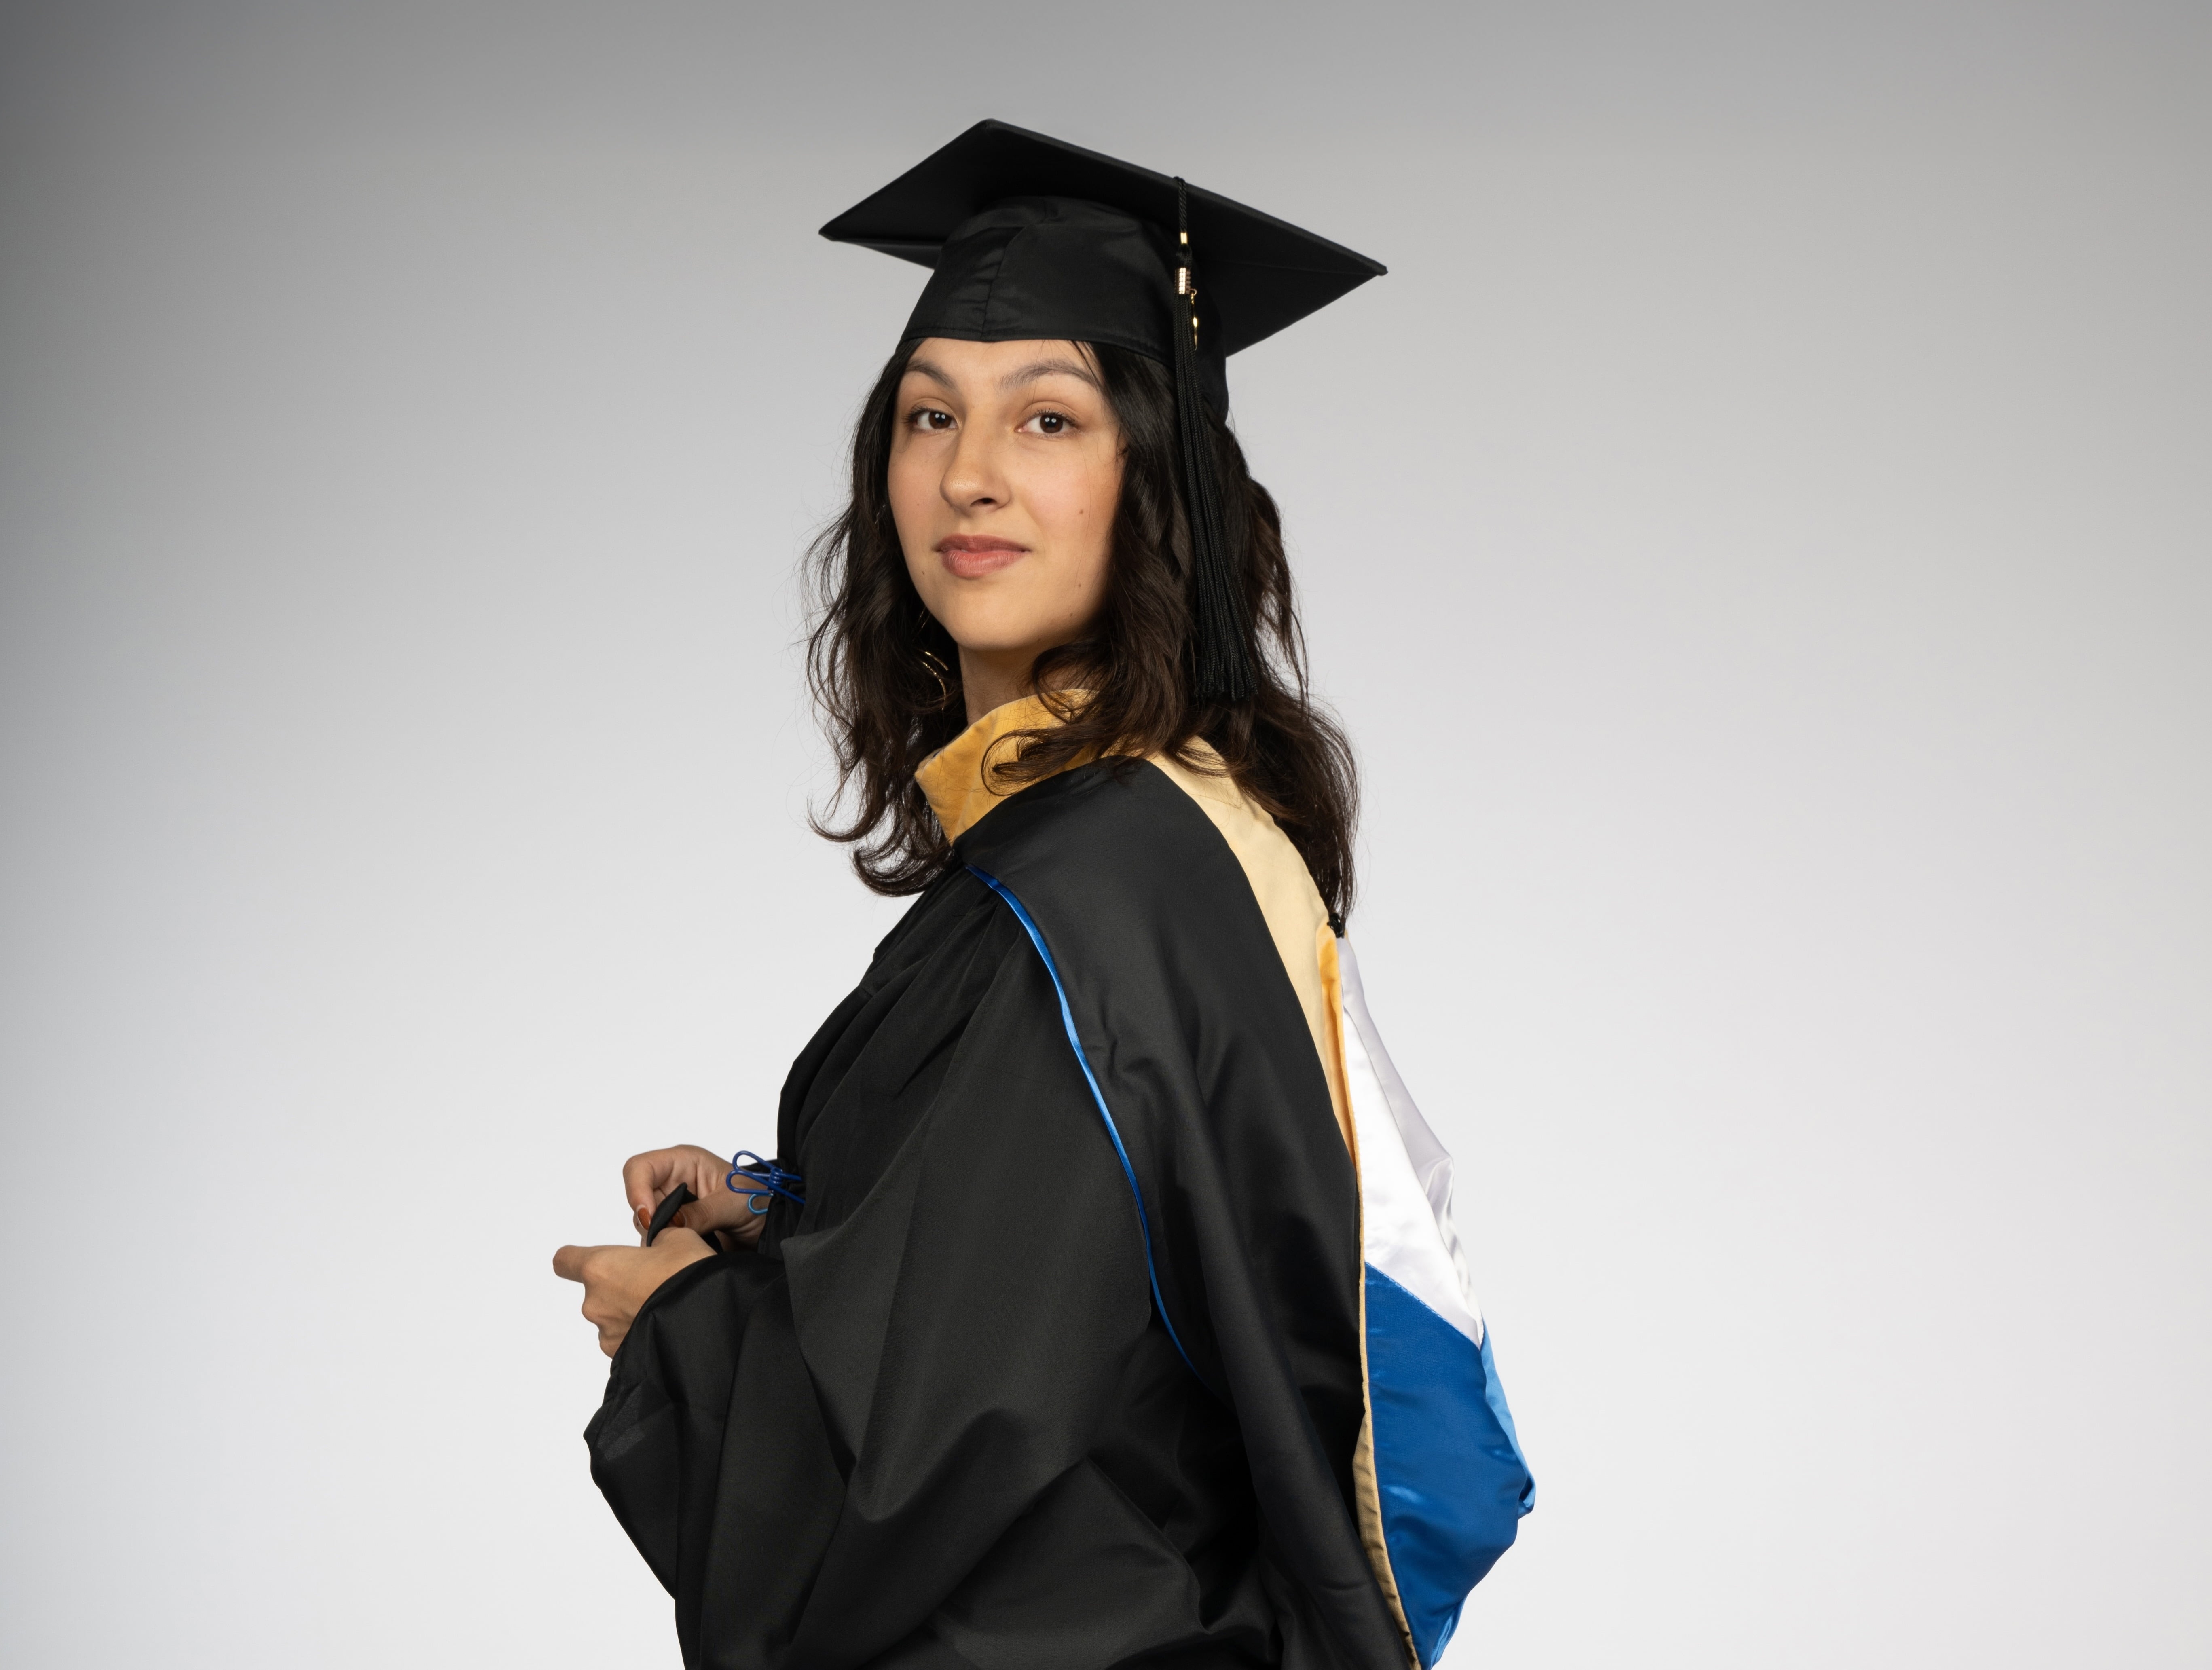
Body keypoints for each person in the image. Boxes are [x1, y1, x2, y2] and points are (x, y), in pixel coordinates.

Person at [552, 120, 1532, 1670]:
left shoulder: (1091, 883)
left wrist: (682, 1328)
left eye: (1053, 417)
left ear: (1161, 479)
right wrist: (784, 1214)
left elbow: (916, 1477)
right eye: (929, 412)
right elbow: (1082, 1308)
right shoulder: (1150, 827)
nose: (971, 472)